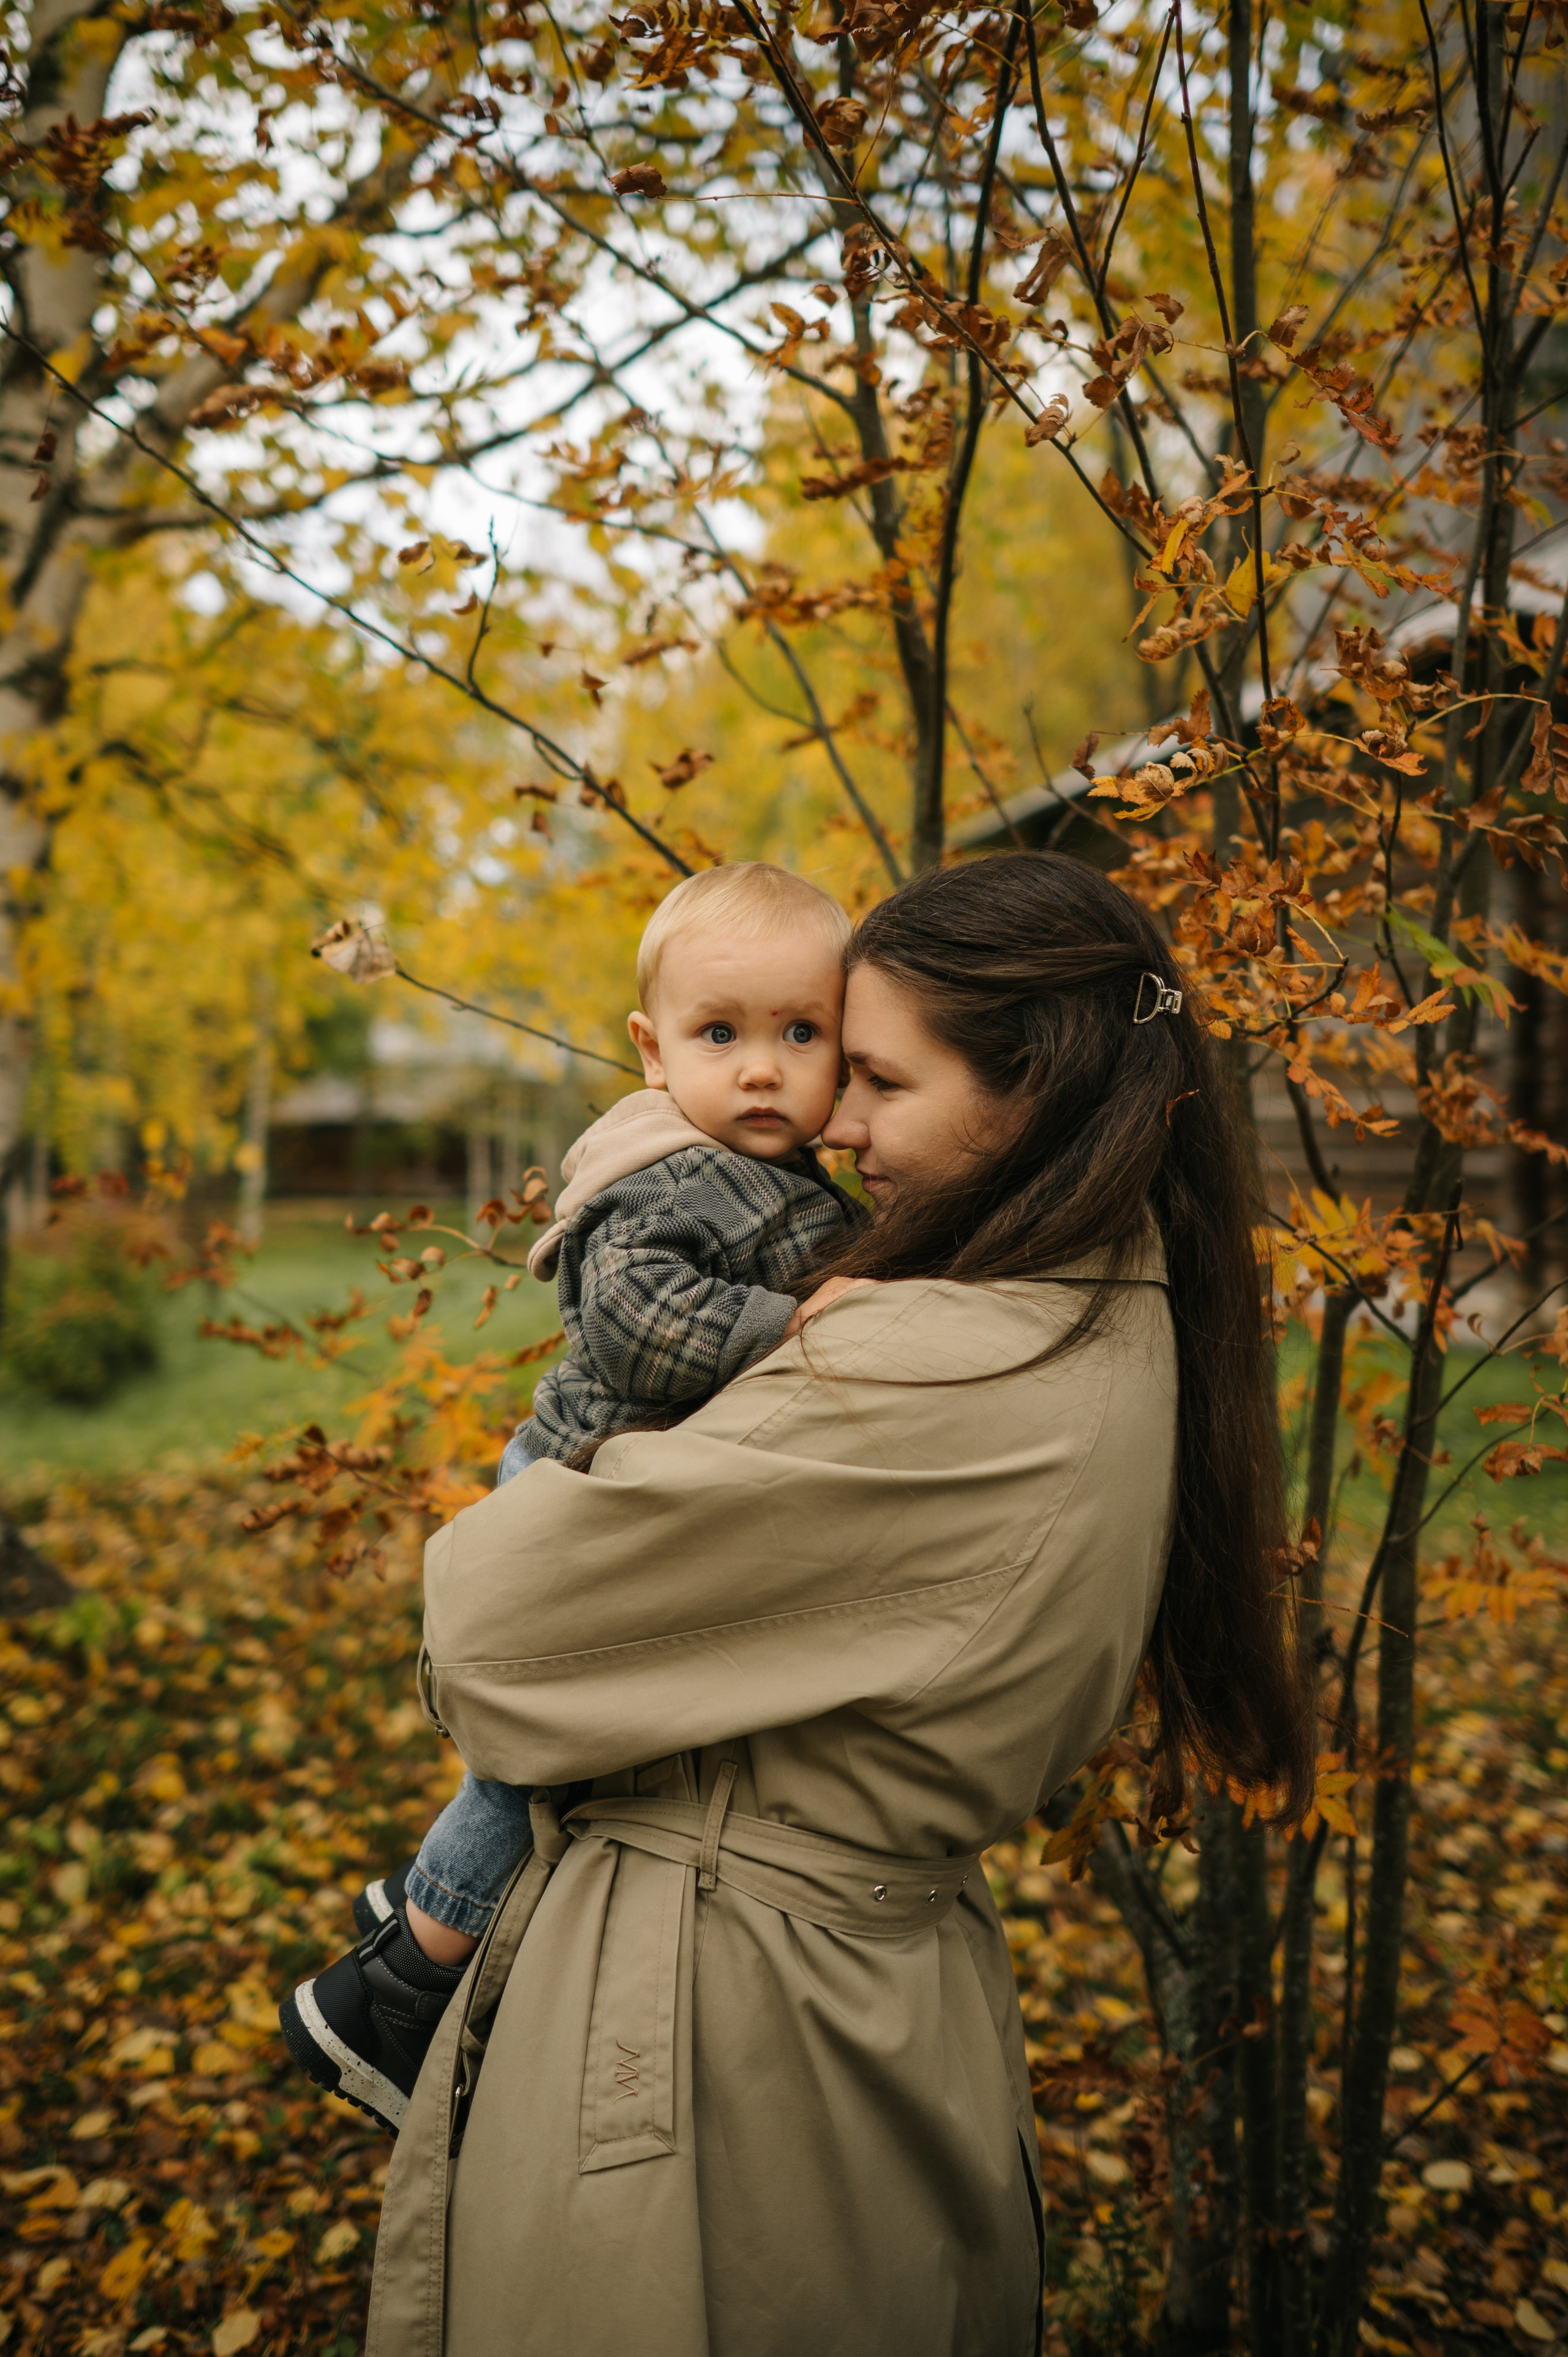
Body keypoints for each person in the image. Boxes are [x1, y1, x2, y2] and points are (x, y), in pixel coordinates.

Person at [364, 851, 1313, 2357]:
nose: (836, 1125)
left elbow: (490, 1625)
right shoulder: (1114, 1301)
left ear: (1035, 1089)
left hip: (726, 2042)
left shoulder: (944, 1361)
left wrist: (560, 1476)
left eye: (871, 1075)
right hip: (854, 1996)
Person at [280, 862, 862, 2130]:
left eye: (799, 1034)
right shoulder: (665, 1174)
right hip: (583, 1486)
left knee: (554, 1748)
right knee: (550, 1753)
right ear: (654, 1051)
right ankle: (398, 1981)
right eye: (722, 1035)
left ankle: (415, 1907)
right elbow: (644, 1325)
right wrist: (800, 1322)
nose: (761, 1069)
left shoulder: (764, 1170)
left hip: (621, 1492)